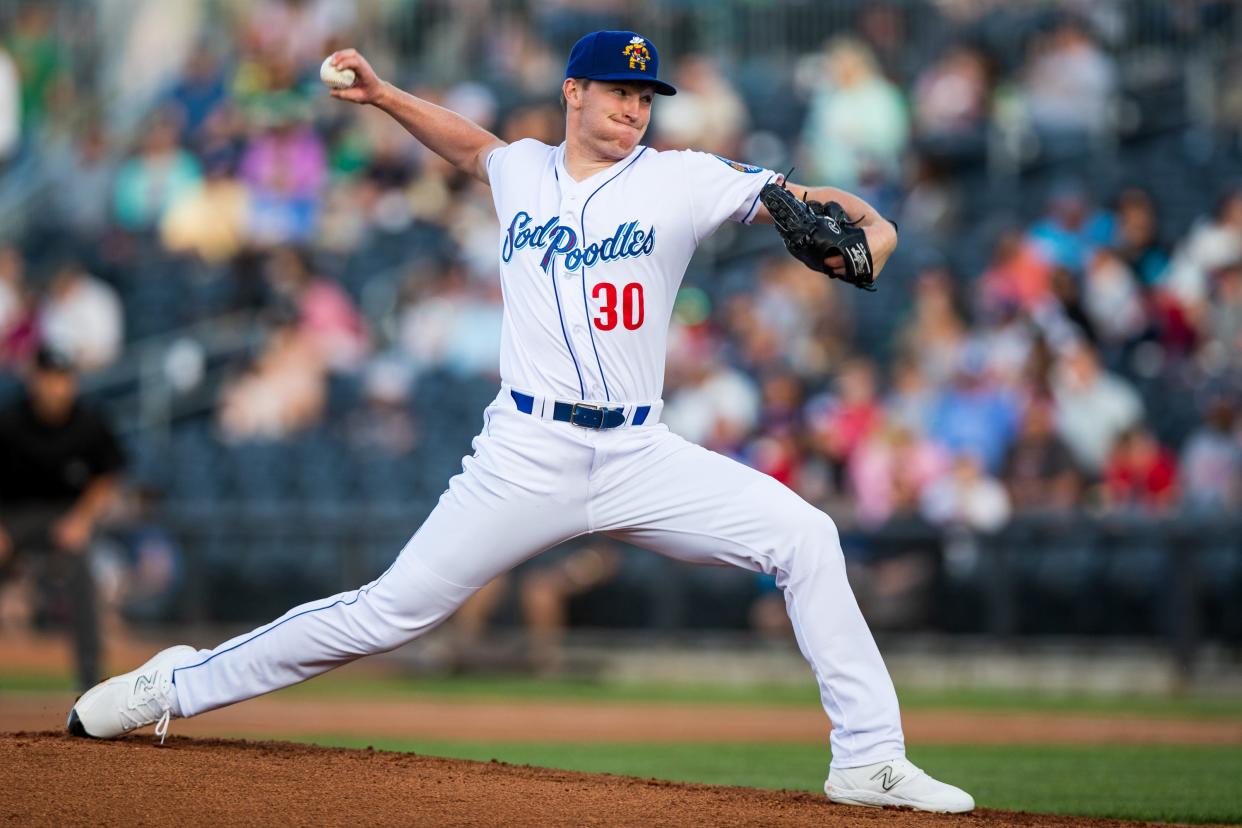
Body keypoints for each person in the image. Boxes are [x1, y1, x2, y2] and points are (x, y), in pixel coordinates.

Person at [67, 31, 973, 813]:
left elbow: (826, 206)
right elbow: (471, 148)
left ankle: (868, 761)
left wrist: (876, 229)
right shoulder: (521, 169)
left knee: (806, 535)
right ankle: (169, 684)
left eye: (645, 95)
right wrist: (383, 96)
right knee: (387, 613)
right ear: (573, 92)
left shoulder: (685, 180)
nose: (633, 109)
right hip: (525, 452)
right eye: (617, 91)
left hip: (637, 450)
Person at [0, 346, 125, 691]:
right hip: (15, 516)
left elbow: (107, 475)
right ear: (34, 380)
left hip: (66, 515)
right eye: (49, 378)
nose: (56, 386)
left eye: (63, 379)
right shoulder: (10, 421)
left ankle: (89, 681)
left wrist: (82, 520)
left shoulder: (88, 422)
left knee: (81, 571)